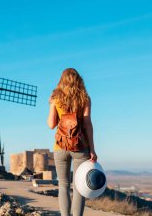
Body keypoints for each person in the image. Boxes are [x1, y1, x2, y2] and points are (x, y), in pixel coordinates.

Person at [47, 68, 97, 216]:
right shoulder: (85, 98)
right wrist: (92, 149)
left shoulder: (56, 98)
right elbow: (87, 124)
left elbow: (51, 125)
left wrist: (52, 105)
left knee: (63, 185)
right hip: (80, 147)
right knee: (79, 186)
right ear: (78, 80)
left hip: (60, 146)